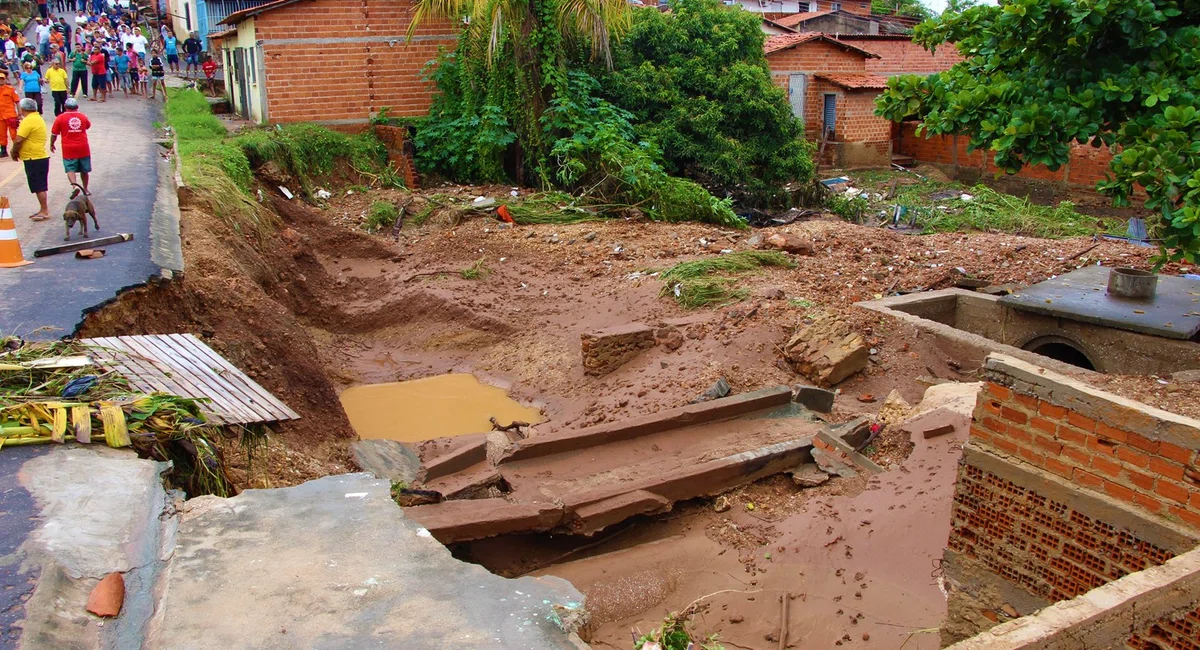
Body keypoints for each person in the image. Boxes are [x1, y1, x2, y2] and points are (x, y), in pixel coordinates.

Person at [11, 98, 50, 222]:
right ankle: (43, 209)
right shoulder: (37, 118)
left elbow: (18, 139)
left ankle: (44, 211)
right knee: (40, 185)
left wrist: (14, 151)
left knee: (38, 185)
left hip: (33, 157)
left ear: (23, 109)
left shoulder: (28, 121)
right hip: (38, 156)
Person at [50, 97, 90, 193]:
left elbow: (54, 134)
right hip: (83, 147)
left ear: (65, 106)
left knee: (70, 168)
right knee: (84, 170)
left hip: (68, 148)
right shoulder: (83, 116)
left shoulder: (60, 118)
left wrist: (51, 144)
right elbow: (87, 126)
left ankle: (74, 186)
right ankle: (85, 189)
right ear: (77, 107)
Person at [0, 77, 19, 157]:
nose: (1, 80)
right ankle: (3, 150)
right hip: (1, 116)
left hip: (10, 115)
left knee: (13, 134)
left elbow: (17, 101)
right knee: (1, 134)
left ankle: (16, 150)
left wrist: (20, 113)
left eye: (2, 79)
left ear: (5, 80)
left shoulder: (10, 89)